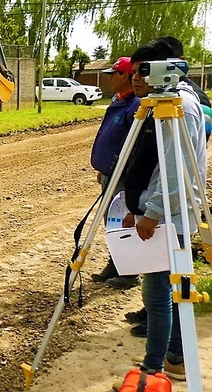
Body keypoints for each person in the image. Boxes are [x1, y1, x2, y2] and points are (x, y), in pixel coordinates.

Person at [120, 40, 206, 383]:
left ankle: (153, 371)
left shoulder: (179, 105)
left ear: (163, 67)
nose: (136, 77)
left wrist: (152, 212)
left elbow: (177, 166)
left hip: (170, 216)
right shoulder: (166, 103)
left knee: (158, 295)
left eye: (142, 70)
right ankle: (173, 358)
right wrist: (136, 205)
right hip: (167, 211)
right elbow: (154, 164)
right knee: (165, 292)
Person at [90, 56, 141, 289]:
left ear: (126, 75)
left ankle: (129, 272)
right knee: (111, 222)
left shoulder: (136, 105)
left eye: (114, 74)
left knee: (121, 222)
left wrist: (123, 174)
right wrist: (104, 168)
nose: (110, 79)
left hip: (122, 176)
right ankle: (116, 264)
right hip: (111, 173)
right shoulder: (119, 100)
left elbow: (133, 146)